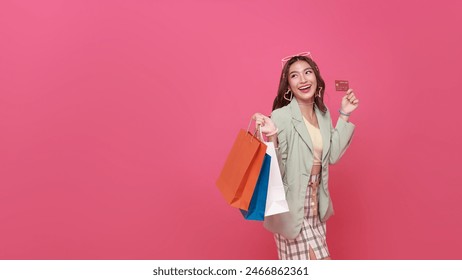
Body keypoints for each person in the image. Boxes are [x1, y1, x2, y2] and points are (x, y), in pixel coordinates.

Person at [252, 52, 359, 260]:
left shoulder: (323, 113)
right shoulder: (281, 117)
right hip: (291, 206)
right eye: (294, 75)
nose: (303, 79)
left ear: (316, 79)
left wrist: (344, 114)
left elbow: (333, 155)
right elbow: (277, 172)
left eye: (307, 72)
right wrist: (272, 136)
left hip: (315, 204)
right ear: (288, 86)